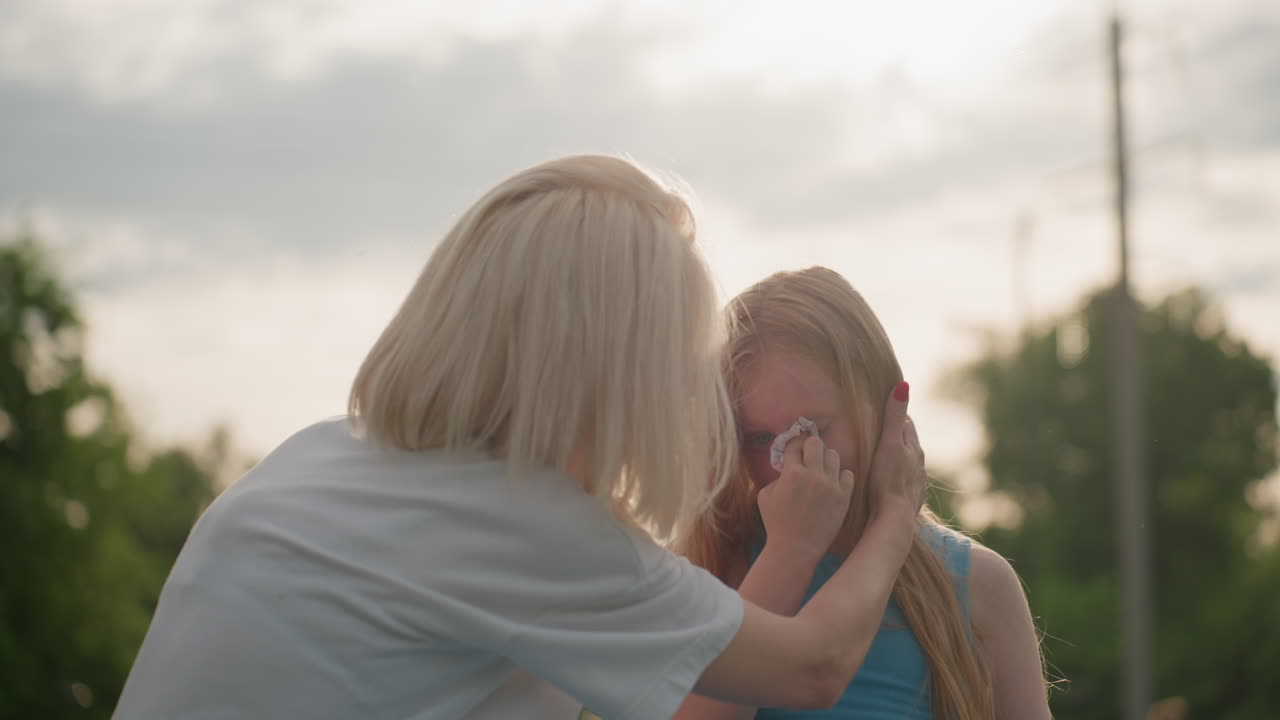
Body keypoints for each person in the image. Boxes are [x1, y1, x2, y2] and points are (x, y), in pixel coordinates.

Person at [113, 156, 926, 720]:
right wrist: (893, 515)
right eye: (677, 357)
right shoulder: (523, 526)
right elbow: (812, 667)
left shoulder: (316, 459)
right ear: (609, 365)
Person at [675, 267, 1051, 720]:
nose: (793, 463)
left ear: (888, 404)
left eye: (812, 429)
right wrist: (791, 551)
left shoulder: (975, 583)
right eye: (759, 438)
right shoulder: (709, 568)